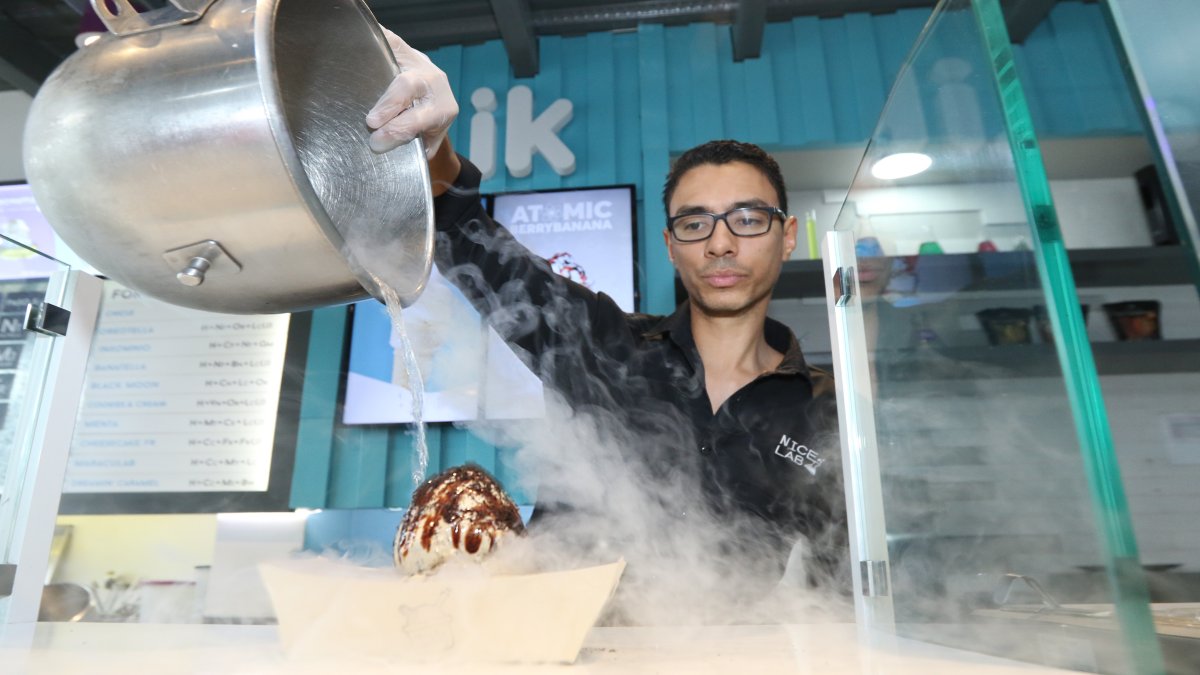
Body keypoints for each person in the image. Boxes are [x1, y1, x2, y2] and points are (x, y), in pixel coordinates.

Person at [365, 30, 845, 600]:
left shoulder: (829, 413)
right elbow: (469, 239)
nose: (720, 244)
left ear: (787, 236)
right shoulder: (605, 345)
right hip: (557, 650)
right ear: (671, 244)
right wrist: (430, 144)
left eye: (747, 219)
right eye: (695, 223)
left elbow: (838, 586)